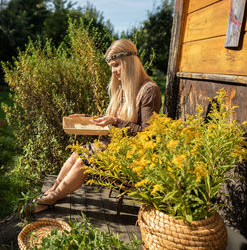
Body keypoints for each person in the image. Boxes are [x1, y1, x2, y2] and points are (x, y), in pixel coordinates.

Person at [32, 39, 162, 213]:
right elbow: (111, 120)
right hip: (115, 147)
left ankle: (50, 199)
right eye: (111, 67)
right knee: (76, 154)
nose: (114, 71)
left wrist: (116, 122)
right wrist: (86, 119)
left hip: (133, 157)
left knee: (83, 161)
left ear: (129, 62)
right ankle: (52, 191)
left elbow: (148, 134)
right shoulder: (125, 88)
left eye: (116, 65)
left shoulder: (149, 90)